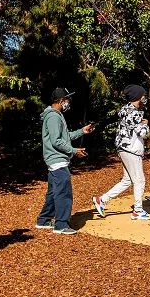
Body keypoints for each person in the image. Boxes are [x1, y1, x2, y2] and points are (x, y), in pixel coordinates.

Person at [36, 88, 94, 234]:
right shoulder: (54, 117)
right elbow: (56, 141)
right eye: (67, 100)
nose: (69, 103)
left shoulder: (55, 115)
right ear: (61, 101)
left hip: (55, 159)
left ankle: (44, 220)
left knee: (53, 192)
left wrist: (82, 131)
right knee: (64, 193)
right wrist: (74, 151)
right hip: (57, 160)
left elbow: (64, 136)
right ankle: (61, 225)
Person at [92, 85, 150, 221]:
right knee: (139, 180)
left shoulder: (125, 109)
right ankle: (137, 211)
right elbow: (142, 132)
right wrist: (146, 124)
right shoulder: (135, 113)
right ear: (138, 97)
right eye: (143, 95)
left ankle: (101, 199)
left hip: (123, 148)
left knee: (127, 180)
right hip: (131, 149)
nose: (144, 98)